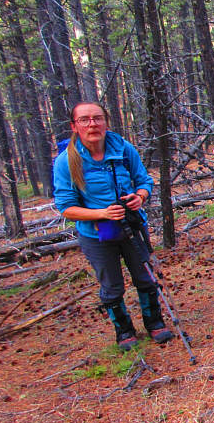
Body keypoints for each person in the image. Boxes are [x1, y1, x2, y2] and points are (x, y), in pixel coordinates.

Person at [53, 102, 173, 350]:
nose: (92, 124)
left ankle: (155, 324)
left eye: (97, 118)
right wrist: (101, 213)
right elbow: (66, 206)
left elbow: (144, 180)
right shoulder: (66, 161)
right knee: (111, 284)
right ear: (74, 126)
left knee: (145, 276)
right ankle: (124, 331)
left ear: (106, 122)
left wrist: (139, 197)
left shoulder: (122, 148)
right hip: (96, 234)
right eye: (85, 120)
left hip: (132, 227)